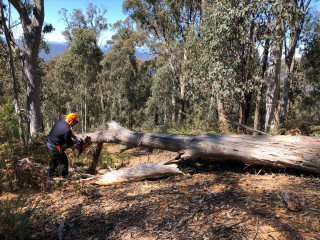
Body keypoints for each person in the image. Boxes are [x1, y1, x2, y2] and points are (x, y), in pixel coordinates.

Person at [46, 113, 81, 178]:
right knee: (63, 161)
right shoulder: (66, 129)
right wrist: (74, 150)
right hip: (54, 146)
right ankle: (64, 176)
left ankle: (52, 174)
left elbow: (68, 132)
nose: (74, 123)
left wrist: (75, 137)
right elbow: (69, 141)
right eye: (74, 122)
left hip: (49, 142)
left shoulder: (61, 120)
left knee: (54, 159)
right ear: (71, 120)